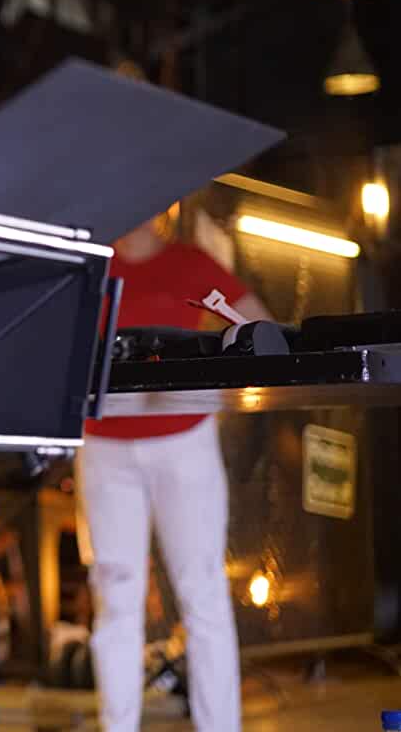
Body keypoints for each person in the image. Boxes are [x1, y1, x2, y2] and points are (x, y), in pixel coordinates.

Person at [78, 211, 273, 732]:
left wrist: (218, 384)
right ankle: (117, 725)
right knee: (115, 593)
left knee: (201, 589)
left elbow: (259, 326)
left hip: (183, 440)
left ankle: (220, 726)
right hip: (105, 444)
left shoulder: (190, 264)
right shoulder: (92, 265)